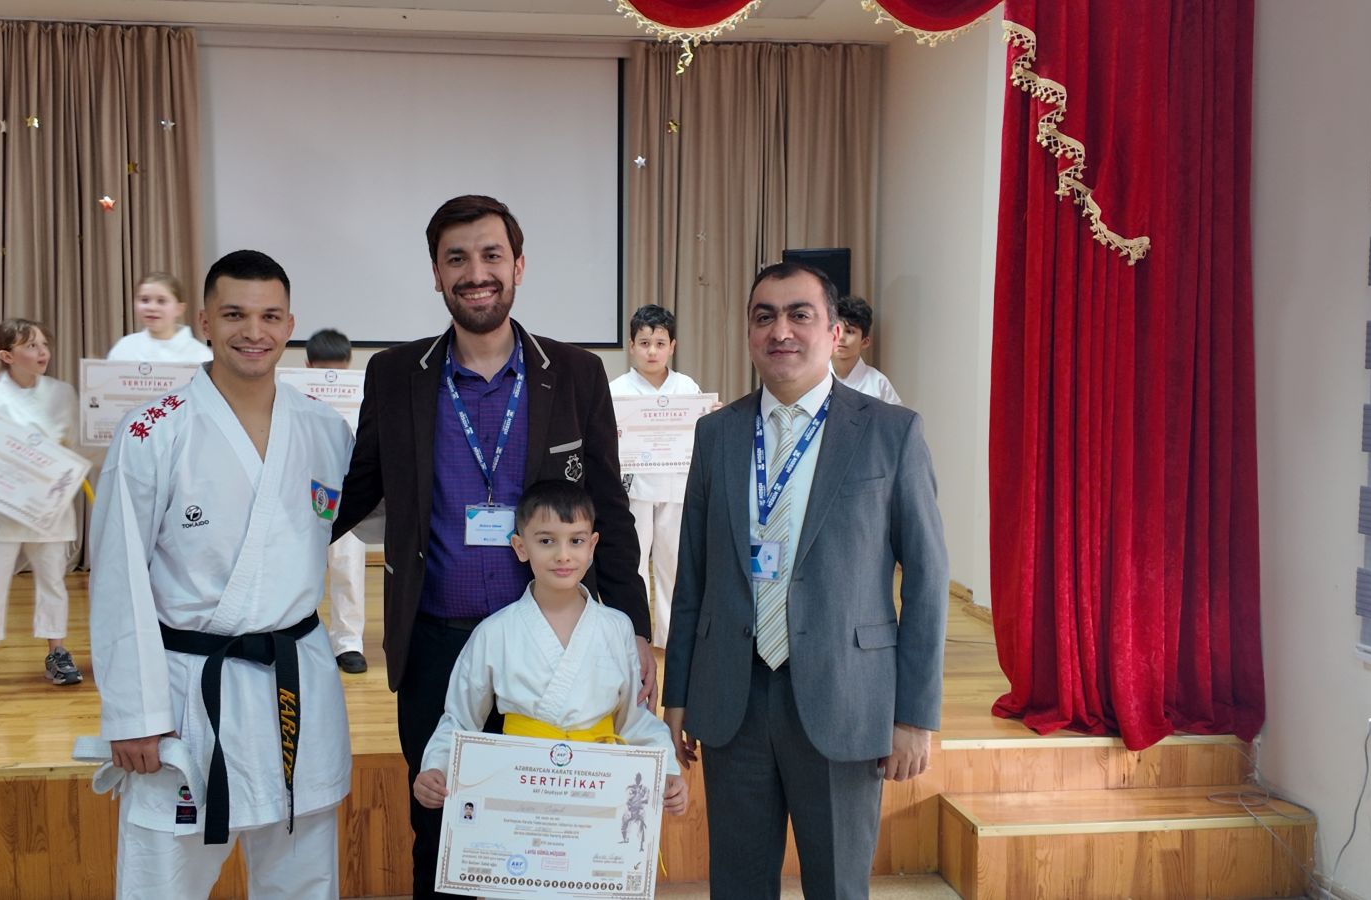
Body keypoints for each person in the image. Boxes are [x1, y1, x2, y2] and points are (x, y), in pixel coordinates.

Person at [333, 195, 654, 899]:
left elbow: (609, 505)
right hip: (436, 646)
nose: (475, 273)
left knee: (552, 842)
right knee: (441, 832)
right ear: (436, 274)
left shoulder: (575, 372)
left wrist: (635, 628)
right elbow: (357, 489)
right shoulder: (395, 374)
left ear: (518, 266)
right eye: (457, 258)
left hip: (548, 646)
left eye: (491, 255)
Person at [662, 262, 948, 899]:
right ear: (749, 332)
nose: (781, 330)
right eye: (764, 316)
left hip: (846, 698)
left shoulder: (892, 432)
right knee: (737, 887)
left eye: (800, 314)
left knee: (839, 887)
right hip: (733, 697)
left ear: (835, 331)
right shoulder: (716, 434)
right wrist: (677, 690)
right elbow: (694, 573)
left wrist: (914, 715)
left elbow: (929, 580)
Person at [89, 250, 353, 899]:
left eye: (269, 316)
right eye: (234, 315)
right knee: (162, 881)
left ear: (290, 325)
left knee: (303, 877)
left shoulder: (325, 429)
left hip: (295, 684)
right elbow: (118, 580)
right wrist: (134, 713)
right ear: (205, 322)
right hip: (186, 691)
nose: (253, 332)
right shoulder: (152, 431)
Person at [411, 480, 685, 822]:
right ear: (520, 546)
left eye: (576, 541)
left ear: (592, 545)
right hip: (518, 787)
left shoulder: (617, 628)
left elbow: (635, 720)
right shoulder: (495, 632)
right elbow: (460, 719)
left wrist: (667, 769)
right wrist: (436, 768)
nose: (563, 555)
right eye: (546, 541)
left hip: (597, 787)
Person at [0, 318, 82, 691]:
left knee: (52, 580)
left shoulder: (62, 394)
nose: (42, 352)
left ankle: (57, 651)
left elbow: (75, 447)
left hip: (48, 506)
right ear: (7, 356)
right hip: (1, 508)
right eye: (31, 346)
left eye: (44, 344)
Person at [607, 304, 703, 649]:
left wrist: (711, 416)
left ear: (672, 347)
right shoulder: (616, 389)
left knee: (672, 564)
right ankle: (635, 636)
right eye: (644, 343)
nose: (652, 351)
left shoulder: (687, 387)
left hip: (676, 486)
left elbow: (700, 432)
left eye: (660, 344)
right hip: (633, 488)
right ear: (631, 345)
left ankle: (669, 640)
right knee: (632, 564)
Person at [305, 328, 368, 675]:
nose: (331, 377)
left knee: (347, 565)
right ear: (308, 367)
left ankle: (348, 642)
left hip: (347, 492)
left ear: (348, 365)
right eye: (322, 370)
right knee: (301, 565)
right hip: (302, 492)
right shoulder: (291, 395)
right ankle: (302, 635)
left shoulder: (361, 395)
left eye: (338, 370)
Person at [106, 272, 214, 363]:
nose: (152, 308)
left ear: (179, 308)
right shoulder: (124, 347)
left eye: (161, 301)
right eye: (144, 300)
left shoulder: (200, 355)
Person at [830, 295, 901, 405]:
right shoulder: (813, 379)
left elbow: (898, 416)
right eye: (836, 330)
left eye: (850, 331)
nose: (841, 337)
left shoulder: (879, 384)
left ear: (865, 342)